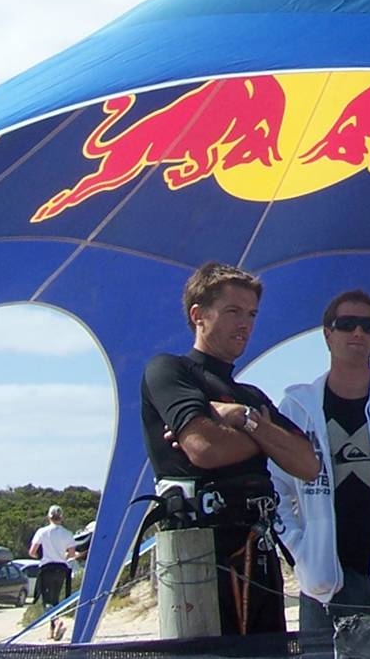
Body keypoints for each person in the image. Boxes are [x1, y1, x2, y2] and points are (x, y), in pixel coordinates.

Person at [140, 261, 319, 636]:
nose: (245, 324)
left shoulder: (251, 398)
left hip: (259, 556)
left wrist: (244, 419)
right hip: (197, 559)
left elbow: (308, 464)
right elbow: (205, 448)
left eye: (252, 314)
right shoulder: (169, 371)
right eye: (233, 311)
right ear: (198, 316)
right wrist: (268, 440)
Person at [271, 289, 370, 634]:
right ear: (327, 334)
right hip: (324, 585)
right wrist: (299, 549)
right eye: (346, 324)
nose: (357, 333)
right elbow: (275, 489)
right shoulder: (296, 409)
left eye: (368, 326)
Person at [29, 505, 75, 611]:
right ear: (61, 517)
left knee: (46, 599)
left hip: (47, 568)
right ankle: (55, 619)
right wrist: (63, 556)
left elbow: (32, 552)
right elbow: (72, 554)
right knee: (55, 597)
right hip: (61, 569)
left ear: (49, 517)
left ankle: (53, 618)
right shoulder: (68, 533)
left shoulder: (42, 532)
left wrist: (39, 556)